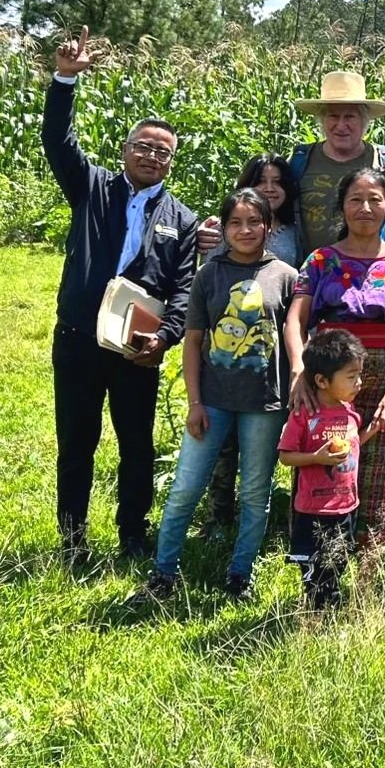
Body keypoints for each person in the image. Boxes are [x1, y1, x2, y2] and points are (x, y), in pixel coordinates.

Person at [42, 27, 198, 561]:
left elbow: (183, 289)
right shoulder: (92, 185)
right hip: (80, 339)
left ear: (171, 162)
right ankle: (72, 538)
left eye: (162, 151)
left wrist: (167, 338)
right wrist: (65, 79)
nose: (151, 156)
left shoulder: (181, 220)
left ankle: (133, 533)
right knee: (77, 443)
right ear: (126, 150)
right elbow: (57, 142)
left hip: (138, 350)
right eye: (143, 146)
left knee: (136, 446)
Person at [132, 188, 298, 602]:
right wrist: (194, 401)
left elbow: (294, 335)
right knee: (186, 487)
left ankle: (241, 574)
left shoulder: (286, 275)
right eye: (235, 223)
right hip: (213, 400)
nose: (245, 230)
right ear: (223, 228)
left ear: (269, 226)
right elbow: (192, 342)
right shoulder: (209, 274)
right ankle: (163, 574)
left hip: (265, 403)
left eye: (253, 222)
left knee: (255, 492)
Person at [286, 168, 385, 549]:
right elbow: (295, 319)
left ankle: (372, 571)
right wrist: (300, 371)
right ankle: (318, 562)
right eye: (355, 200)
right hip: (325, 382)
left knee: (382, 470)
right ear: (342, 207)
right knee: (322, 463)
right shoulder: (320, 261)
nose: (365, 208)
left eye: (375, 199)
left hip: (382, 381)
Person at [195, 71, 385, 257]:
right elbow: (263, 203)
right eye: (333, 116)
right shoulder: (300, 161)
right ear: (322, 120)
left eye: (349, 116)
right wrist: (218, 228)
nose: (341, 125)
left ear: (364, 121)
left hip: (375, 278)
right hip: (310, 279)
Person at [200, 153, 301, 538]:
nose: (270, 188)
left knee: (265, 440)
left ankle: (261, 516)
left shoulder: (294, 232)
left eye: (278, 181)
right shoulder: (230, 228)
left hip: (271, 353)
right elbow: (209, 281)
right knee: (223, 443)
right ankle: (218, 515)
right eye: (262, 181)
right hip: (226, 350)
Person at [278, 329, 379, 608]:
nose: (359, 382)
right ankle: (317, 609)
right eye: (351, 376)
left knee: (339, 558)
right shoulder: (304, 414)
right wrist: (316, 458)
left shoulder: (350, 411)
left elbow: (353, 440)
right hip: (313, 508)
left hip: (346, 505)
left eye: (359, 374)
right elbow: (286, 456)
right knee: (315, 564)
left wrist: (372, 430)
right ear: (322, 380)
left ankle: (330, 605)